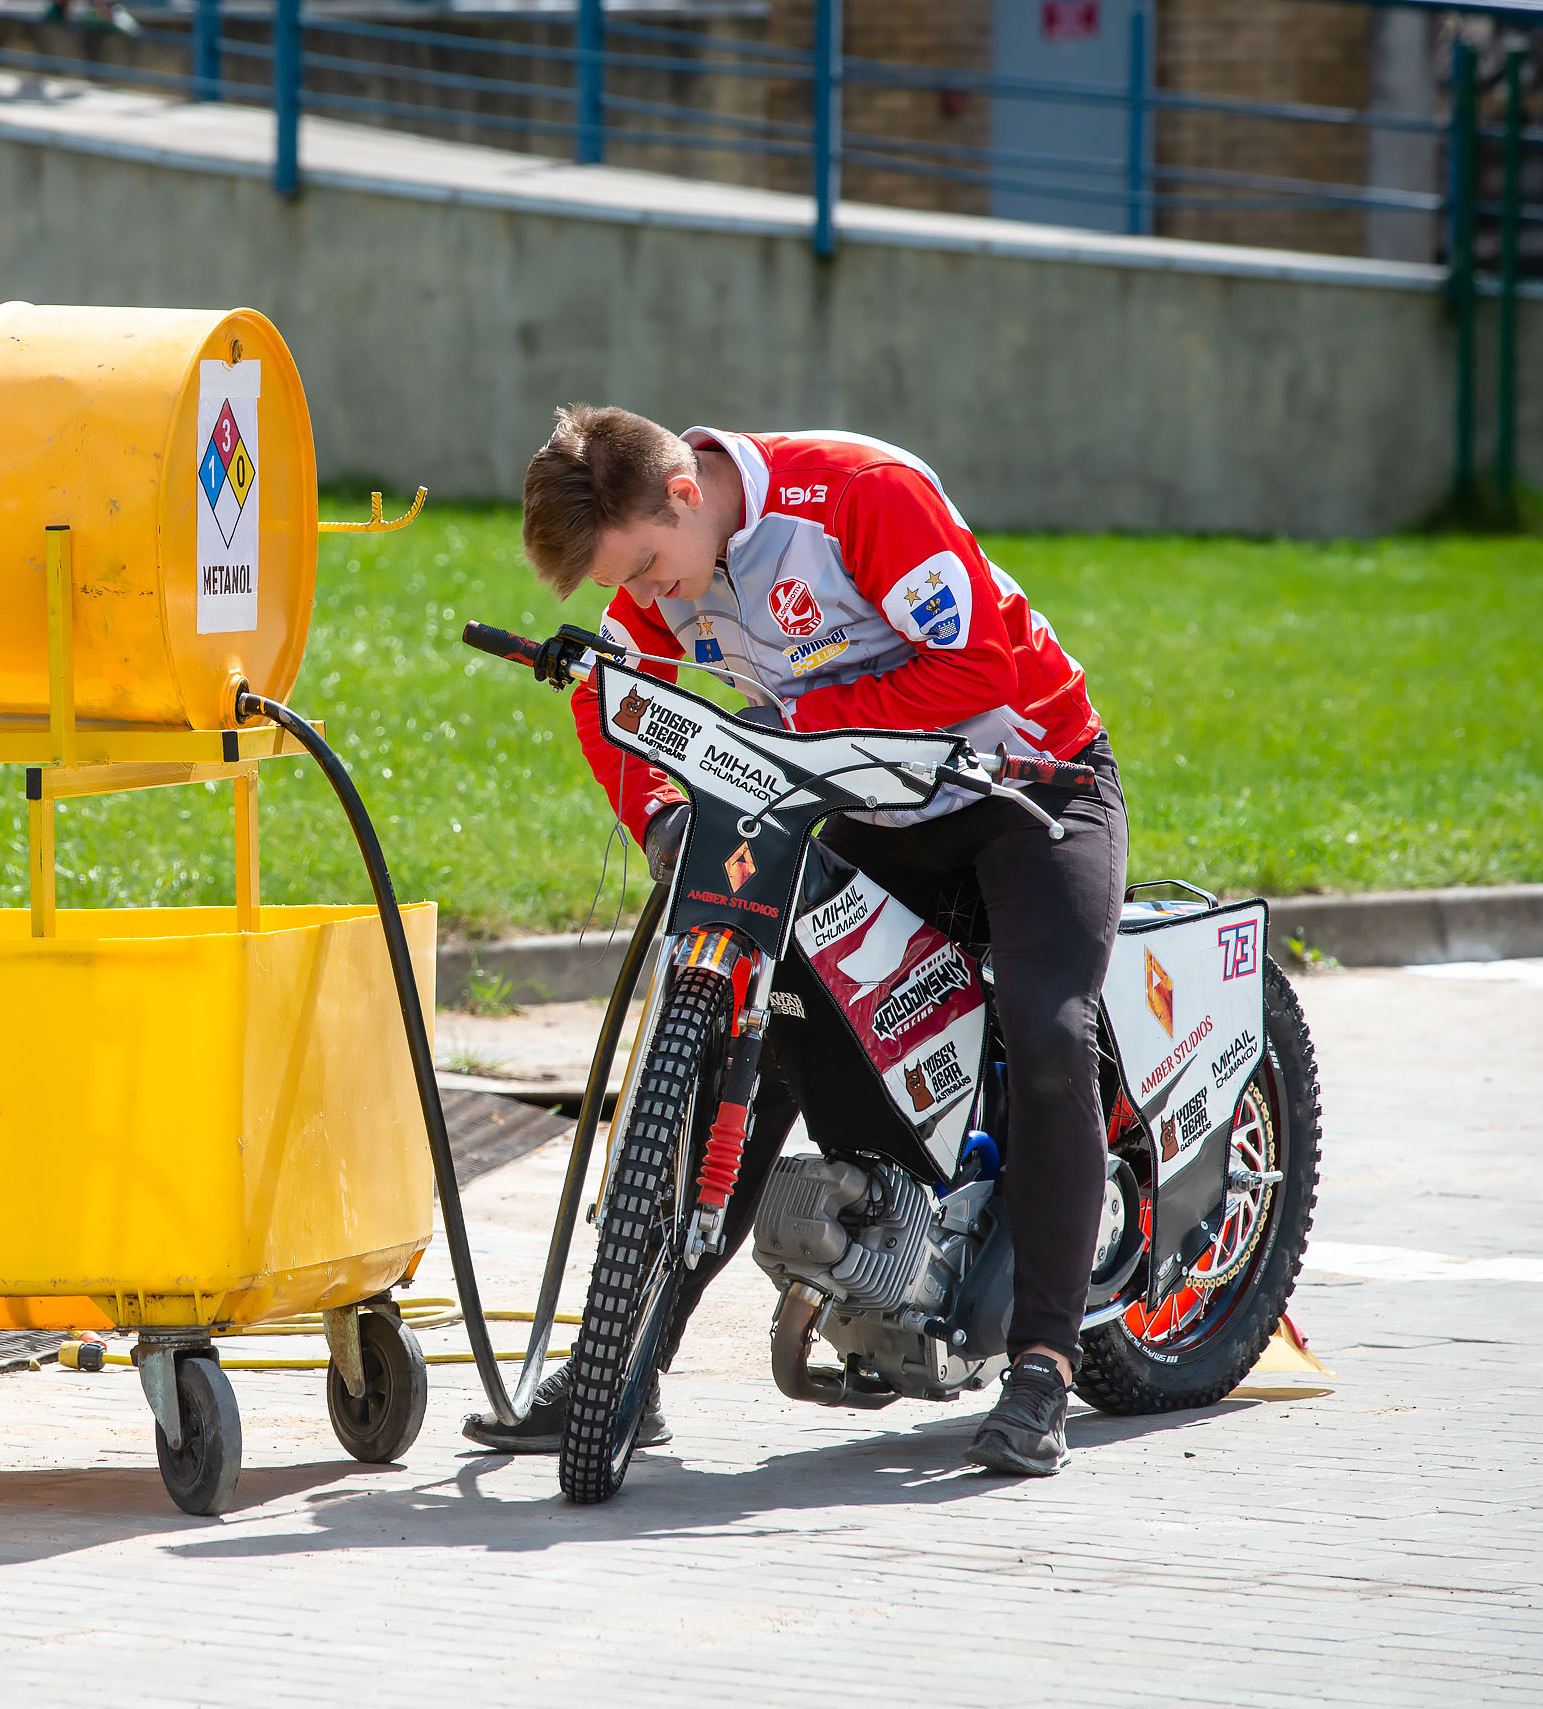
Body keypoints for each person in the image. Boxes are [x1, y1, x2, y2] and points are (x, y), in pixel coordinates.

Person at [461, 405, 1127, 1476]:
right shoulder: (662, 573)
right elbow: (616, 702)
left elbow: (978, 671)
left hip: (1026, 786)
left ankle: (1044, 1364)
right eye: (616, 589)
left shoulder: (858, 496)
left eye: (641, 568)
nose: (642, 602)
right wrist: (663, 820)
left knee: (1049, 1032)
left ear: (683, 493)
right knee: (759, 1020)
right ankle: (622, 1364)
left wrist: (793, 727)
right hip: (861, 808)